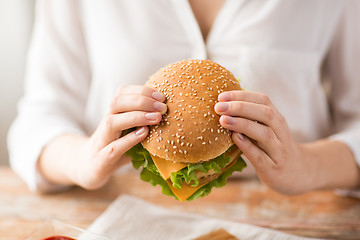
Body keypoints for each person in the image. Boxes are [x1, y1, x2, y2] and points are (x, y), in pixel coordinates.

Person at [8, 0, 360, 195]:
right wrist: (81, 160)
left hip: (300, 213)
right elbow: (39, 118)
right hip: (118, 211)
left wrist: (306, 165)